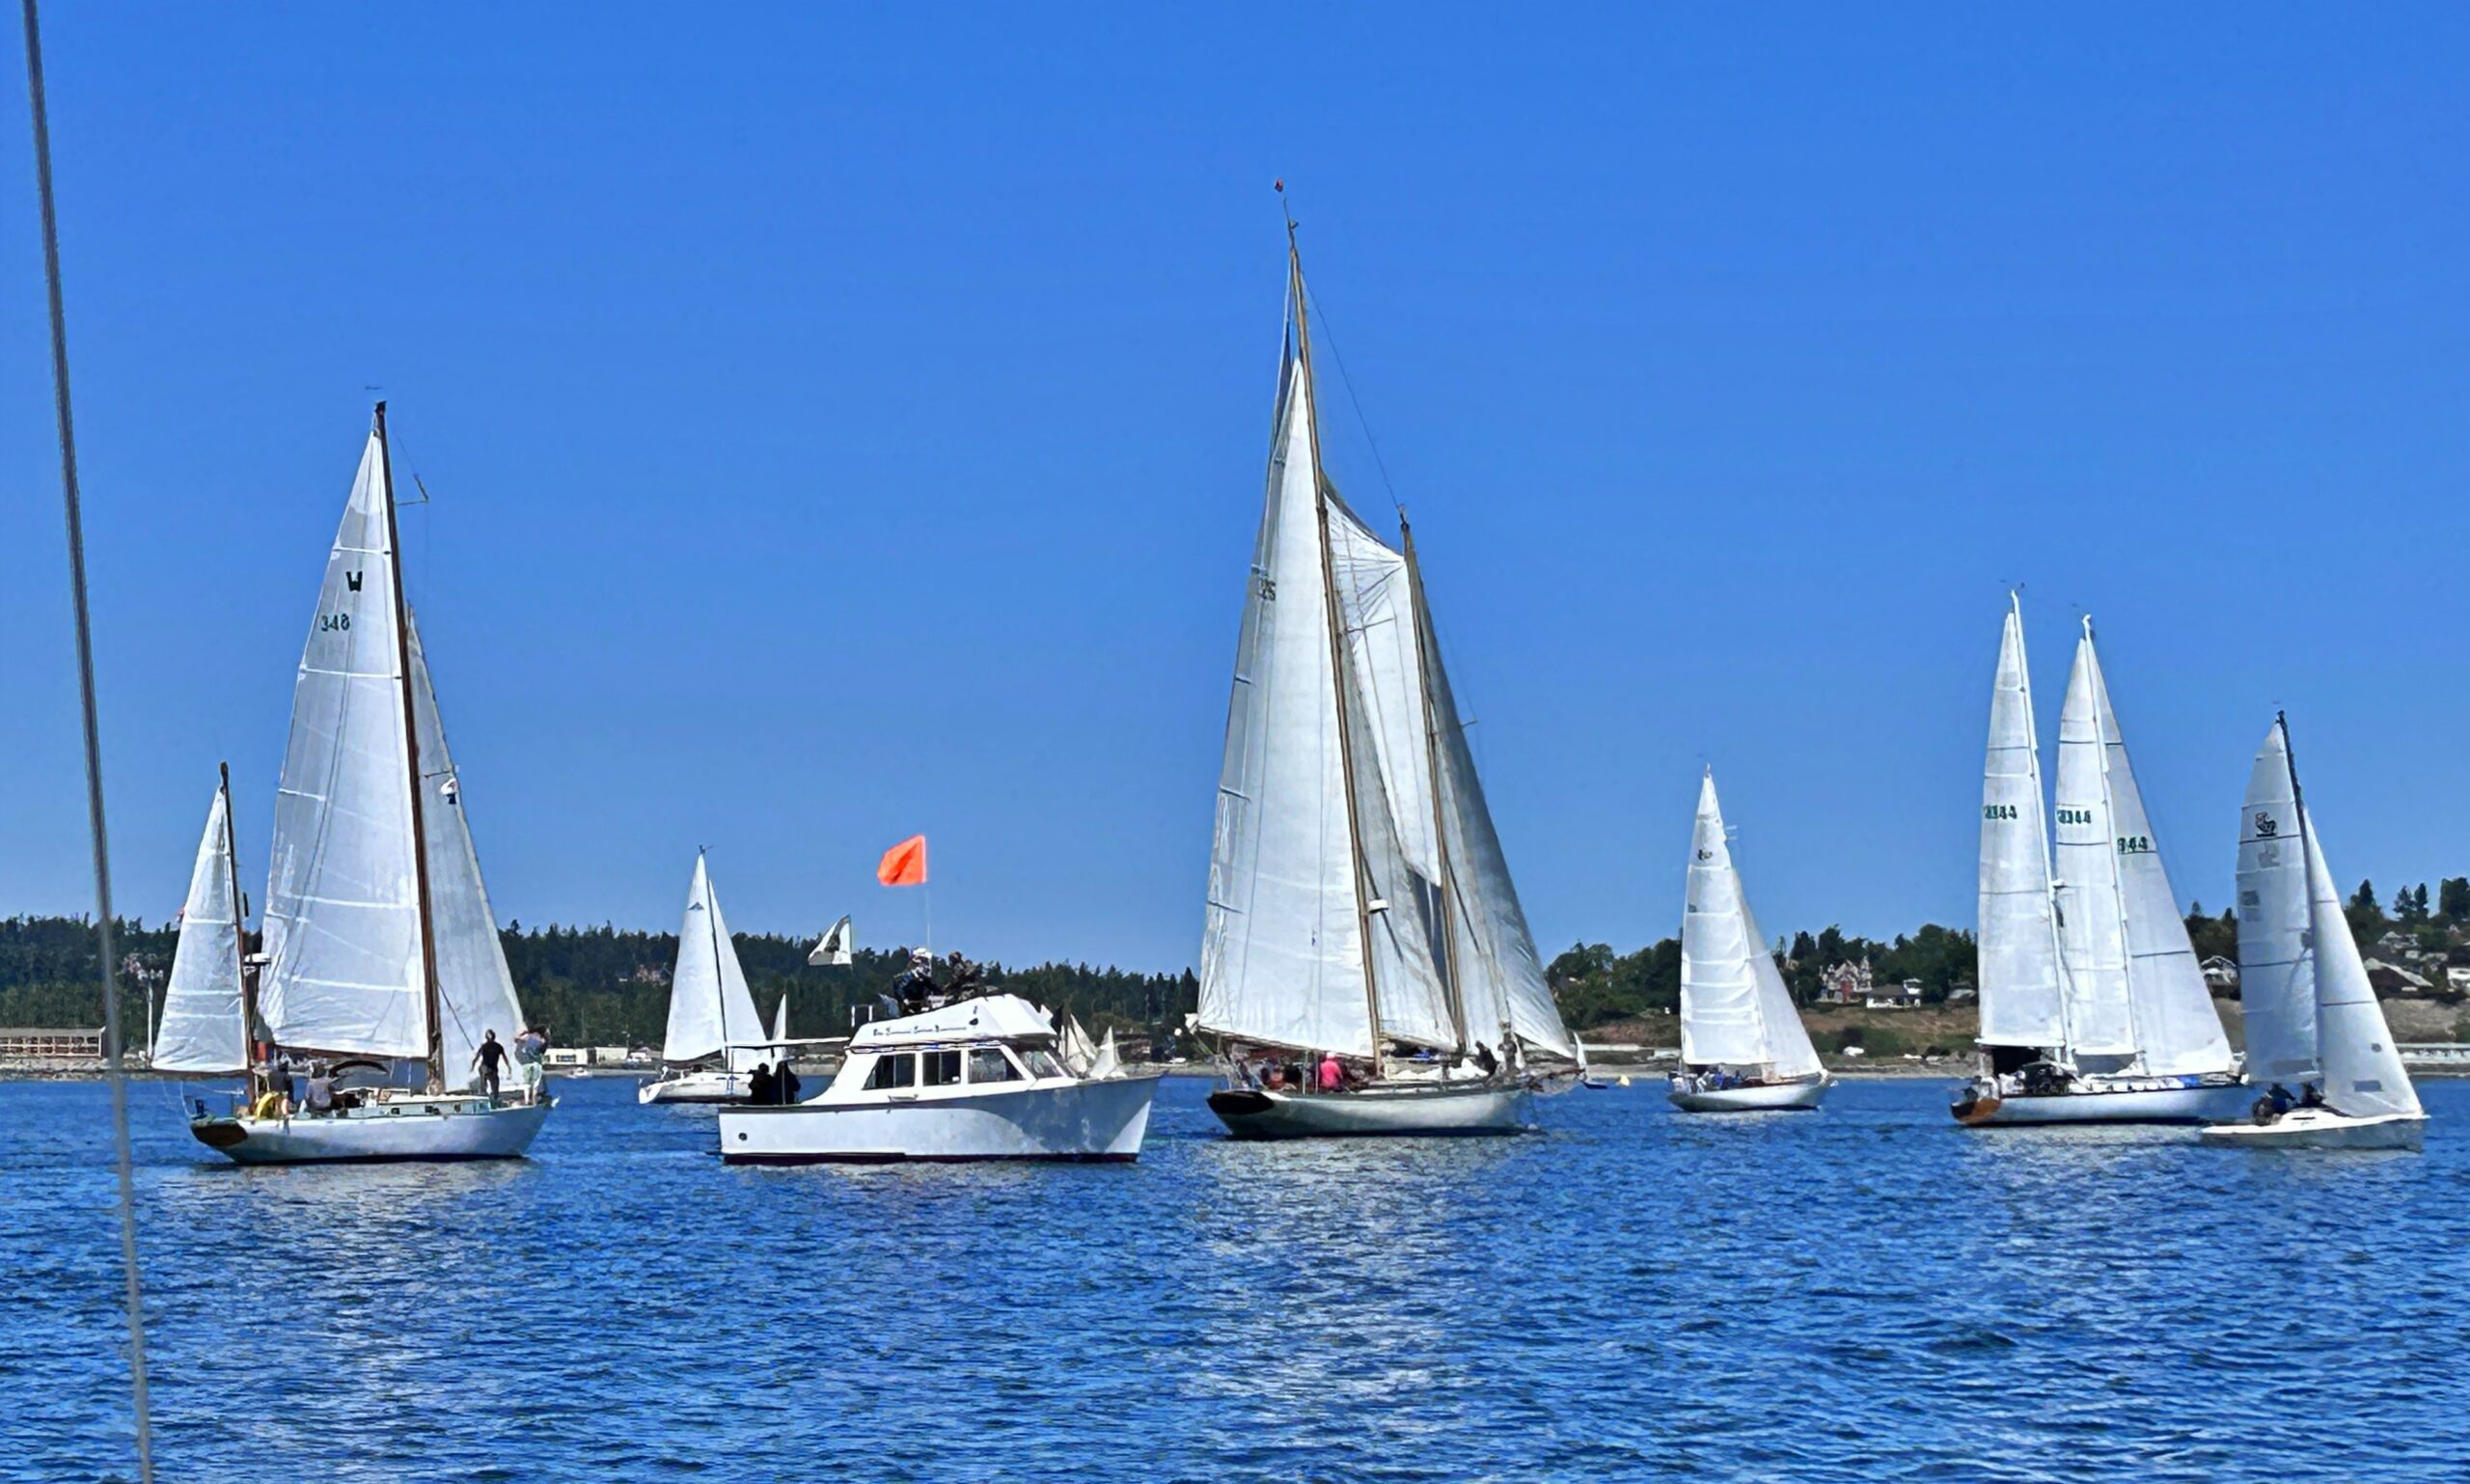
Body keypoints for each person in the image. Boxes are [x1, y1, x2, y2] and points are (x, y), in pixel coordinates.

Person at [892, 948, 939, 1014]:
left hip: (918, 1004)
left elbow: (931, 986)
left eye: (925, 961)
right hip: (909, 1004)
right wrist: (904, 1000)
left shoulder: (921, 976)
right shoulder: (905, 976)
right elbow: (899, 989)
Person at [473, 1030, 510, 1102]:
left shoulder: (484, 1046)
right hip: (492, 1069)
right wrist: (509, 1068)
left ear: (486, 1037)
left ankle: (484, 1092)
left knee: (484, 1080)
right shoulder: (498, 1046)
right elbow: (505, 1058)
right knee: (495, 1087)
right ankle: (494, 1096)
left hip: (484, 1068)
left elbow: (476, 1058)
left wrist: (472, 1067)